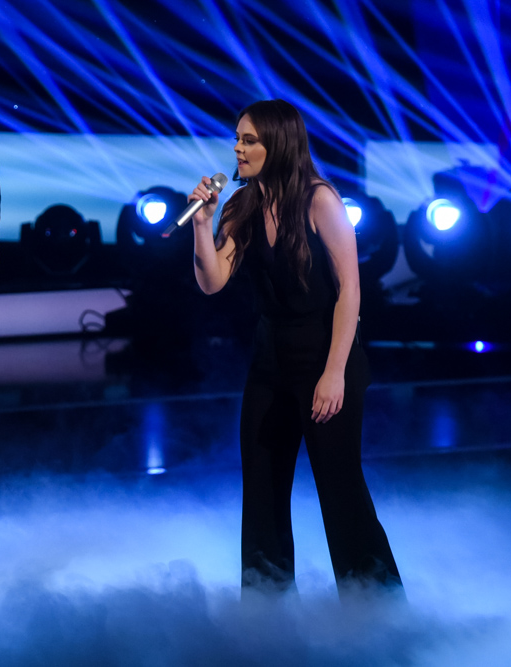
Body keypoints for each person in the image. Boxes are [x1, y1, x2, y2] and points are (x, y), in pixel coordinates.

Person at [189, 100, 401, 597]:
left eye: (249, 140)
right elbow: (212, 281)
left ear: (278, 144)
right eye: (237, 139)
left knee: (341, 490)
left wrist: (335, 373)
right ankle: (267, 610)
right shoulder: (240, 206)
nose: (237, 149)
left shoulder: (319, 200)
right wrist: (201, 224)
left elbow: (350, 290)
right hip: (270, 364)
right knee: (262, 490)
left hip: (326, 359)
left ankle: (377, 608)